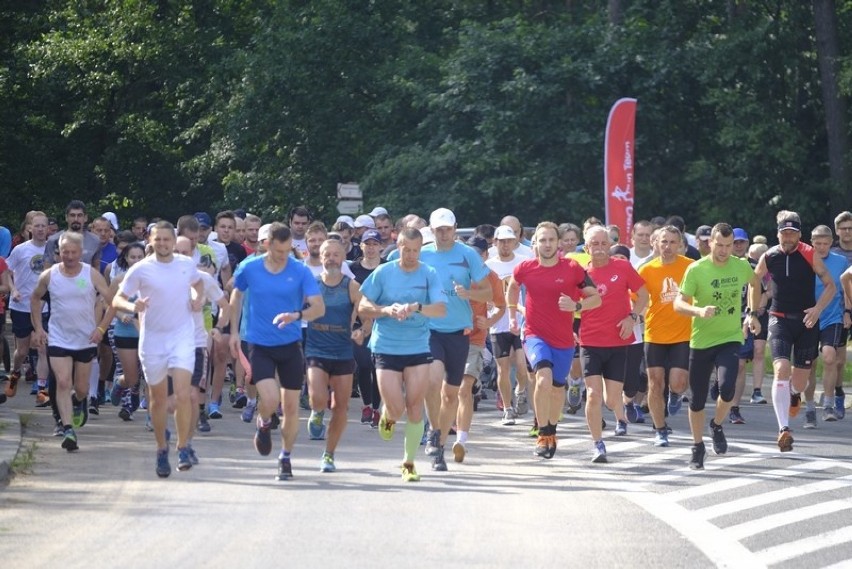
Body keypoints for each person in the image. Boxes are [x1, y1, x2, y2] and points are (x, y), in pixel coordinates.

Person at [229, 222, 325, 481]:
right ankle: (263, 421)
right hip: (259, 343)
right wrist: (234, 332)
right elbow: (236, 295)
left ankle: (285, 456)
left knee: (291, 407)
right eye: (278, 251)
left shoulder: (299, 269)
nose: (283, 256)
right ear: (267, 244)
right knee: (270, 400)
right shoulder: (250, 267)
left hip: (290, 345)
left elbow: (318, 307)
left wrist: (297, 314)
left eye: (286, 251)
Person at [113, 221, 206, 477]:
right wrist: (134, 307)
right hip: (153, 340)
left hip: (182, 337)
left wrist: (198, 298)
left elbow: (198, 284)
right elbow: (117, 298)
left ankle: (184, 446)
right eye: (158, 239)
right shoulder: (141, 269)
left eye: (168, 239)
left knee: (184, 393)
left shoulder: (186, 265)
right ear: (150, 242)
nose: (163, 244)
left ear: (174, 242)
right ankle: (161, 448)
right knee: (158, 399)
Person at [358, 227, 447, 481]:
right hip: (386, 346)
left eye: (415, 251)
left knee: (415, 406)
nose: (410, 255)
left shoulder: (428, 273)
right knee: (396, 409)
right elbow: (363, 305)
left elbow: (440, 309)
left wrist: (417, 307)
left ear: (421, 250)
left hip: (418, 346)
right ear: (397, 246)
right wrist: (386, 310)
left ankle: (408, 464)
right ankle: (388, 415)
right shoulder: (384, 272)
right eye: (406, 250)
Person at [506, 222, 601, 460]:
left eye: (551, 240)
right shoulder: (525, 268)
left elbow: (595, 298)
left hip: (563, 339)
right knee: (542, 378)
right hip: (534, 334)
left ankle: (552, 430)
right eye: (542, 240)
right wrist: (512, 314)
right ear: (534, 244)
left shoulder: (572, 268)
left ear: (558, 243)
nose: (546, 244)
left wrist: (576, 305)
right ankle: (543, 431)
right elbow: (512, 286)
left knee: (558, 389)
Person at [674, 223, 762, 469]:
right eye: (719, 245)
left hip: (730, 337)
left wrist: (752, 313)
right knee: (697, 400)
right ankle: (697, 446)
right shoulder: (696, 269)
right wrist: (698, 310)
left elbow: (756, 284)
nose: (724, 251)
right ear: (710, 243)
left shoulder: (741, 265)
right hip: (701, 340)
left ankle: (716, 425)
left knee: (727, 389)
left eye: (728, 245)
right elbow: (678, 304)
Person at [750, 211, 836, 452]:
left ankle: (794, 394)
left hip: (806, 321)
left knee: (799, 380)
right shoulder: (769, 256)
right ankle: (784, 429)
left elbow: (830, 286)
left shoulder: (809, 253)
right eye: (784, 233)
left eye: (792, 233)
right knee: (781, 368)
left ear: (799, 234)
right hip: (779, 319)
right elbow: (754, 282)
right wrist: (752, 312)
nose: (788, 238)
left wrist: (818, 310)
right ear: (777, 233)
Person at [420, 208, 492, 472]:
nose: (443, 233)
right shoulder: (422, 253)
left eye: (447, 229)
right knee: (432, 378)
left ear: (455, 228)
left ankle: (439, 443)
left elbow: (488, 293)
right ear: (431, 229)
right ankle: (433, 432)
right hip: (430, 329)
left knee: (451, 394)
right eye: (439, 229)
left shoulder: (467, 254)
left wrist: (468, 292)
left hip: (460, 332)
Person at [31, 232, 113, 451]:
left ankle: (80, 401)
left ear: (81, 253)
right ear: (59, 252)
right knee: (63, 382)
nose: (68, 256)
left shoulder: (92, 274)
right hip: (58, 337)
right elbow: (35, 299)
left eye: (73, 252)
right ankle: (68, 429)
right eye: (64, 252)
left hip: (85, 339)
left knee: (82, 388)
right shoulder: (49, 276)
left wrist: (101, 328)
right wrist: (39, 328)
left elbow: (112, 303)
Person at [579, 226, 648, 462]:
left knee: (611, 399)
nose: (599, 249)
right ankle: (598, 444)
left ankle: (618, 416)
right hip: (590, 342)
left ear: (609, 245)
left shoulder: (622, 267)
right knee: (593, 396)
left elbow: (644, 295)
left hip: (618, 342)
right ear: (586, 248)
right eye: (594, 244)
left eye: (603, 243)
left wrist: (633, 318)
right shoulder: (580, 274)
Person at [304, 239, 364, 472]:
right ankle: (317, 412)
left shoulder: (352, 286)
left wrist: (361, 330)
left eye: (336, 255)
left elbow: (366, 315)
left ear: (343, 257)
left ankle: (328, 454)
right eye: (327, 254)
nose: (331, 259)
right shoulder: (312, 284)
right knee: (317, 397)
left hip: (342, 351)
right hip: (316, 348)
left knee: (340, 406)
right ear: (321, 257)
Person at [637, 225, 694, 446]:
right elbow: (637, 299)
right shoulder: (647, 269)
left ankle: (676, 394)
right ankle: (660, 429)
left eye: (672, 242)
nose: (668, 247)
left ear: (680, 244)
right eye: (664, 242)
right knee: (654, 383)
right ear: (655, 243)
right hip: (655, 334)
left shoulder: (690, 267)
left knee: (678, 382)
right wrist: (640, 315)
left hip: (683, 333)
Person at [452, 235, 505, 462]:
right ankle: (438, 428)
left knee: (464, 388)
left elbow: (501, 306)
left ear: (485, 255)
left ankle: (461, 440)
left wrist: (490, 322)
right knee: (446, 389)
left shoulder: (491, 277)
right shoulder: (454, 272)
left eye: (478, 254)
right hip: (449, 336)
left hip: (474, 338)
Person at [486, 225, 531, 425]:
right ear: (495, 242)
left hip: (520, 322)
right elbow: (483, 292)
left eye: (508, 241)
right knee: (502, 369)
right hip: (497, 323)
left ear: (515, 242)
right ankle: (507, 408)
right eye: (501, 241)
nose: (505, 245)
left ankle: (520, 391)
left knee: (522, 366)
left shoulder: (523, 262)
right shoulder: (489, 265)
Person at [802, 226, 847, 426]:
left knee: (830, 357)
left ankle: (828, 405)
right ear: (812, 242)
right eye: (817, 244)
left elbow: (846, 287)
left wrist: (847, 311)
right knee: (809, 365)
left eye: (825, 244)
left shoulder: (840, 261)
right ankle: (810, 408)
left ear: (831, 243)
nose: (821, 247)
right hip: (809, 316)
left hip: (832, 316)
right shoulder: (804, 259)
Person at [4, 212, 51, 402]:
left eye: (43, 226)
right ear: (30, 228)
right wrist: (13, 289)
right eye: (36, 226)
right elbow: (6, 271)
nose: (40, 229)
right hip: (21, 305)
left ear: (48, 229)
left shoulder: (53, 249)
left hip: (43, 306)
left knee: (42, 347)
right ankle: (15, 373)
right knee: (22, 351)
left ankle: (42, 389)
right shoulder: (20, 250)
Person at [349, 229, 384, 427]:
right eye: (367, 244)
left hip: (382, 323)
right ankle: (367, 405)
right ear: (361, 246)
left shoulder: (387, 267)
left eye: (374, 244)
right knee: (363, 363)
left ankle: (378, 409)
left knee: (377, 366)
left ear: (380, 246)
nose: (371, 248)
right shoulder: (353, 269)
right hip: (359, 325)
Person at [107, 242, 146, 421]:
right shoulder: (119, 280)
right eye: (133, 257)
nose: (136, 260)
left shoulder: (151, 280)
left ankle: (129, 407)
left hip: (147, 334)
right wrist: (122, 314)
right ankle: (120, 383)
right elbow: (108, 303)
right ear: (126, 259)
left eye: (140, 257)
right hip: (125, 332)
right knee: (130, 376)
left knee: (146, 373)